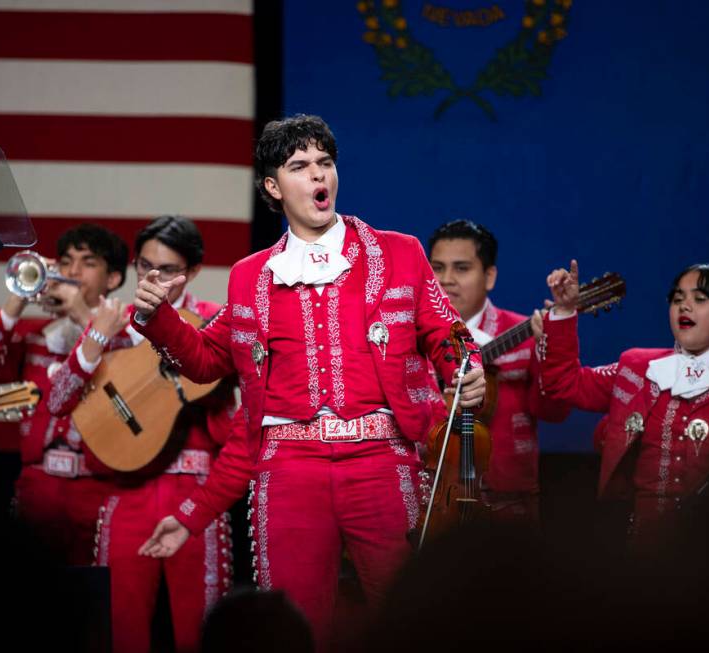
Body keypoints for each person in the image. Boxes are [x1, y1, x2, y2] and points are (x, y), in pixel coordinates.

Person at [132, 114, 486, 647]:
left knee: (410, 613)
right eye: (300, 166)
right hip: (288, 467)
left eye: (325, 163)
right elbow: (205, 360)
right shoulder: (250, 275)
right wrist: (160, 316)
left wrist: (466, 365)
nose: (318, 176)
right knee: (294, 625)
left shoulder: (398, 252)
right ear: (274, 187)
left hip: (381, 459)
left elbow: (448, 331)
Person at [46, 216, 237, 653]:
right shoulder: (115, 319)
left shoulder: (214, 321)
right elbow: (57, 401)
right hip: (124, 488)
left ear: (192, 272)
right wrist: (95, 336)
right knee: (120, 632)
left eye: (167, 270)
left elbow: (233, 423)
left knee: (202, 634)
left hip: (196, 490)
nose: (153, 278)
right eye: (144, 266)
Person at [539, 260, 709, 547]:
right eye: (677, 299)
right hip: (639, 550)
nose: (684, 306)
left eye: (699, 299)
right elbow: (563, 386)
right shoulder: (637, 366)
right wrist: (563, 312)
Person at [0, 223, 129, 565]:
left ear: (113, 279)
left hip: (98, 488)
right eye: (66, 260)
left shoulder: (126, 334)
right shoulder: (39, 336)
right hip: (37, 488)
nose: (72, 272)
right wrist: (17, 299)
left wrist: (82, 315)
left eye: (88, 262)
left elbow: (123, 379)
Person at [429, 220, 569, 523]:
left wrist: (550, 352)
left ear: (489, 276)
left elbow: (554, 413)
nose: (446, 280)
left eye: (462, 268)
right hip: (433, 501)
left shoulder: (527, 332)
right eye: (437, 268)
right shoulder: (411, 336)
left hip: (509, 505)